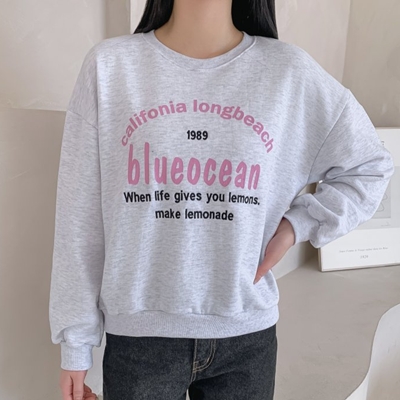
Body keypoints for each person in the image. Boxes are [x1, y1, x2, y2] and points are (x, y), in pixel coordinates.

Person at [49, 0, 394, 399]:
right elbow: (79, 220)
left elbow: (369, 165)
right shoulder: (110, 67)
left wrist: (296, 226)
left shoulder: (288, 73)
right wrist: (75, 344)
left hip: (246, 338)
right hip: (140, 343)